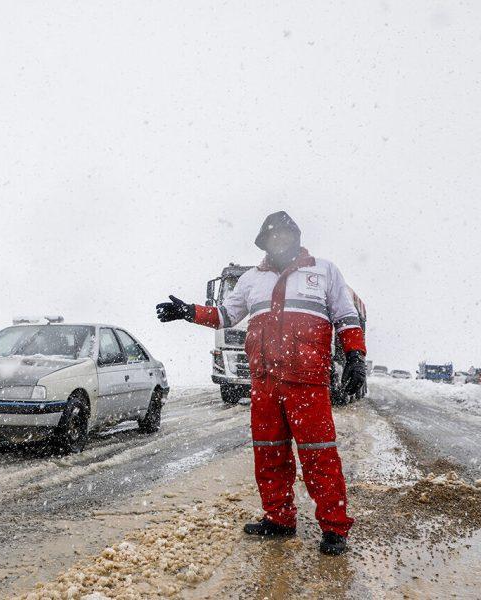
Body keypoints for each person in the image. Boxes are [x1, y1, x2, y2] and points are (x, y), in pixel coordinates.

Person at [155, 211, 366, 555]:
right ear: (264, 242)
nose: (279, 241)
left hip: (307, 382)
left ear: (296, 237)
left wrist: (356, 356)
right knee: (269, 454)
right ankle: (279, 520)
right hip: (265, 382)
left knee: (319, 455)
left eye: (285, 235)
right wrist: (188, 312)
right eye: (273, 236)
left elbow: (345, 317)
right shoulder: (251, 279)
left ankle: (334, 527)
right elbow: (226, 315)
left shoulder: (324, 270)